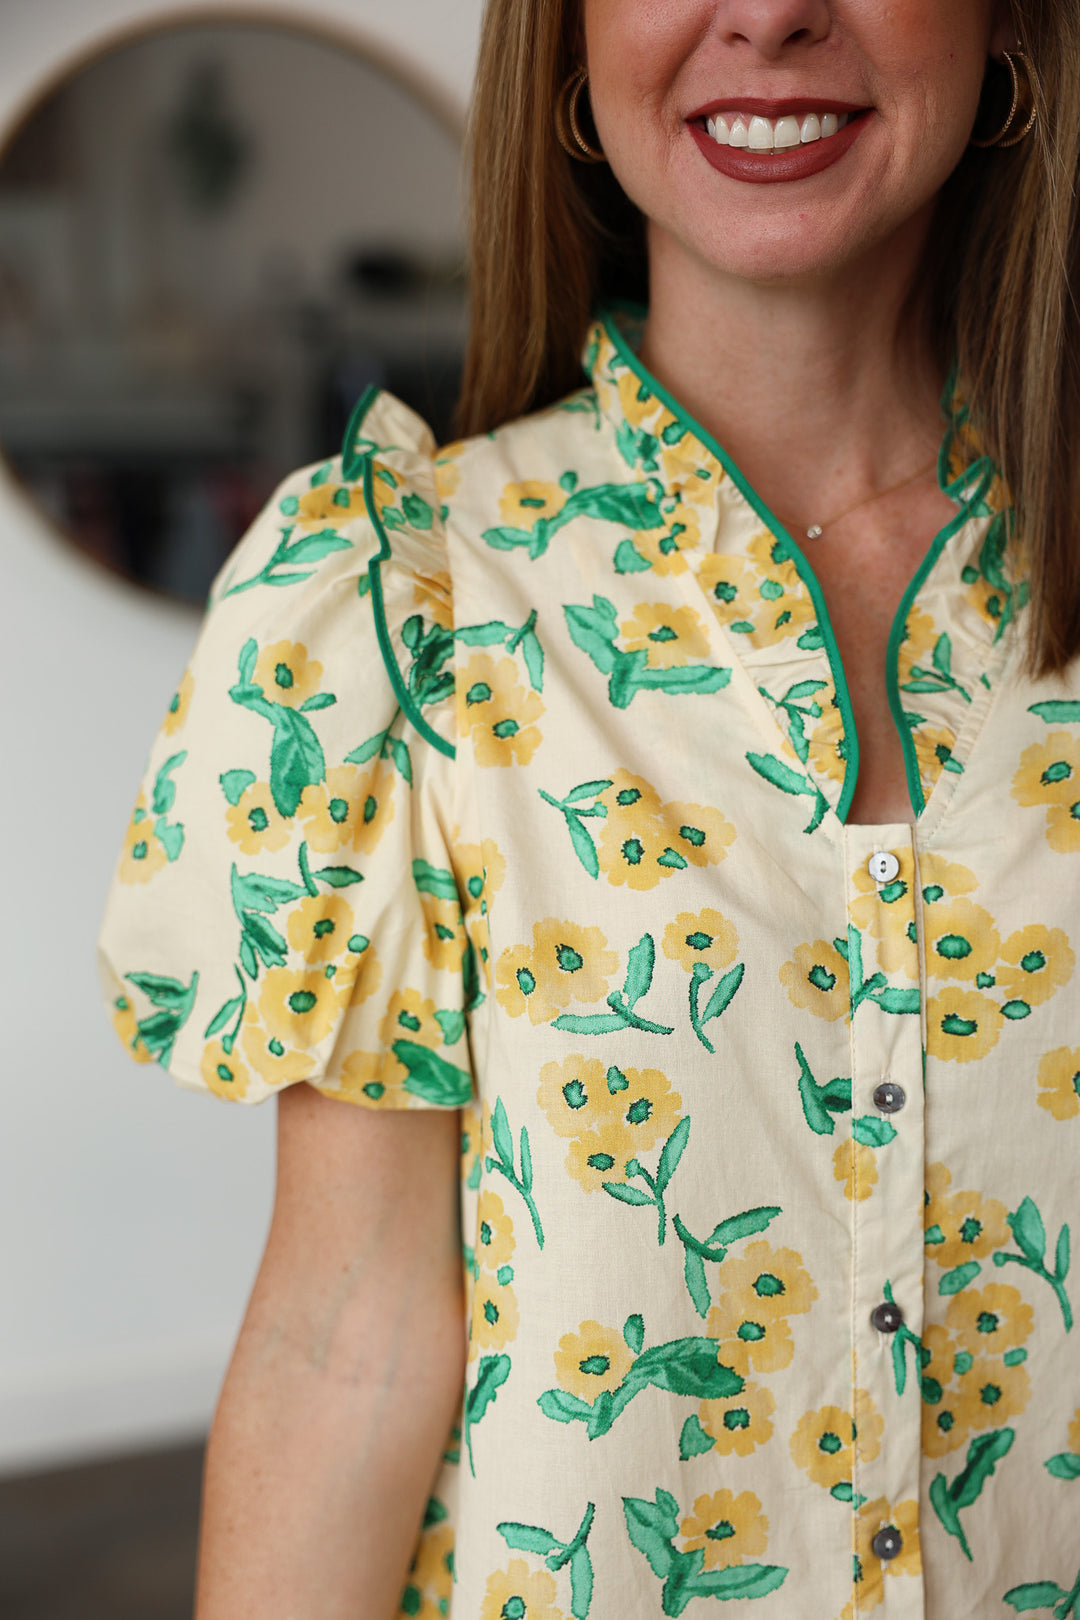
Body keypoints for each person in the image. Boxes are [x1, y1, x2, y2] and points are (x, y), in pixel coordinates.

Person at [98, 2, 1080, 1615]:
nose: (767, 14)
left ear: (1011, 31)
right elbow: (349, 1339)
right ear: (567, 47)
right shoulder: (407, 605)